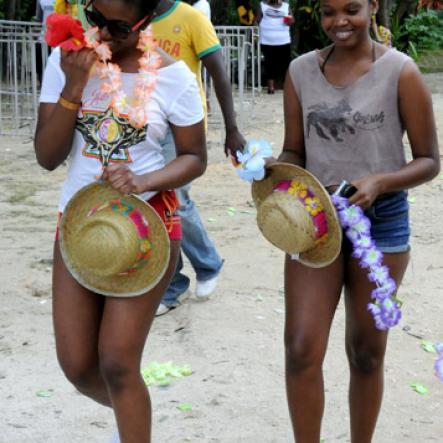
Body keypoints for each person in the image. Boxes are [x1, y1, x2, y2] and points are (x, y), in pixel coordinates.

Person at [34, 0, 206, 441]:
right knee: (77, 366)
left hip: (145, 230)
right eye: (95, 19)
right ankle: (134, 415)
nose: (102, 34)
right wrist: (74, 85)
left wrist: (143, 177)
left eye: (117, 26)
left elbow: (194, 157)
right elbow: (47, 156)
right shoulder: (68, 60)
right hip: (79, 226)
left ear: (149, 20)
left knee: (116, 362)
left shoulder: (173, 77)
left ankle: (133, 423)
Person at [275, 0, 440, 441]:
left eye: (351, 9)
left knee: (366, 352)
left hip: (381, 221)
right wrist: (278, 172)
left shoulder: (401, 72)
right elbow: (295, 148)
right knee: (300, 349)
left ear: (373, 7)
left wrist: (381, 183)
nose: (339, 22)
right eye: (328, 13)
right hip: (314, 222)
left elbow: (428, 161)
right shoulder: (300, 73)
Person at [152, 0, 246, 315]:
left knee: (175, 197)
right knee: (156, 199)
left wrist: (232, 129)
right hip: (144, 123)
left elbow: (219, 75)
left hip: (181, 127)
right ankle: (174, 282)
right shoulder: (133, 17)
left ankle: (203, 267)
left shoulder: (190, 18)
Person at [256, 0, 294, 94]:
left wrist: (290, 20)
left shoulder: (286, 6)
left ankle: (287, 87)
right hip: (267, 40)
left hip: (283, 40)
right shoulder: (262, 5)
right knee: (269, 63)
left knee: (286, 64)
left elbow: (292, 20)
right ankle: (271, 88)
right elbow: (256, 20)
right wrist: (256, 32)